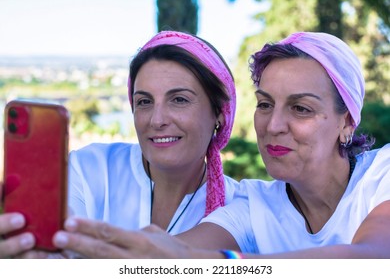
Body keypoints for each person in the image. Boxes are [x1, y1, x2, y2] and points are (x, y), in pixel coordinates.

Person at [49, 31, 389, 258]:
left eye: (301, 108)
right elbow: (174, 255)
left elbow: (373, 256)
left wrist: (219, 263)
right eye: (265, 104)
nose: (273, 125)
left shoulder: (381, 176)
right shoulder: (253, 204)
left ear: (347, 122)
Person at [0, 30, 238, 258]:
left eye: (179, 99)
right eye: (144, 101)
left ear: (219, 112)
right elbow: (62, 240)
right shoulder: (90, 168)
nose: (157, 120)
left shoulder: (239, 204)